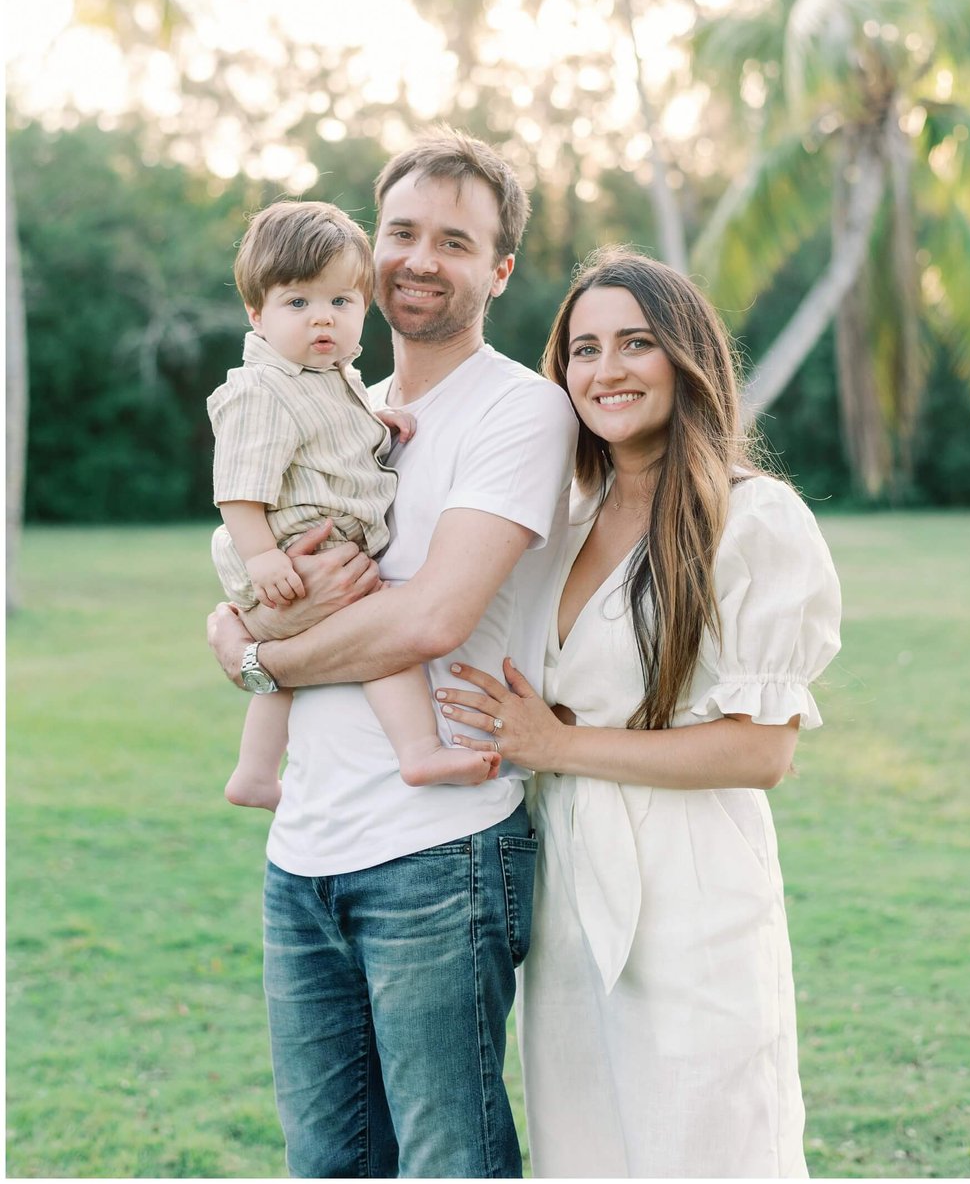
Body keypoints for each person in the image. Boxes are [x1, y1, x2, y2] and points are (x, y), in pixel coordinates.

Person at [206, 131, 578, 1179]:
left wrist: (256, 659)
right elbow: (260, 558)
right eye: (402, 232)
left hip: (439, 852)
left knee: (447, 1161)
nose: (419, 258)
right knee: (329, 1163)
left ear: (498, 270)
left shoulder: (520, 410)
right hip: (304, 853)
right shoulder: (334, 400)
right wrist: (244, 618)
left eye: (454, 242)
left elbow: (429, 618)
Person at [435, 247, 842, 1179]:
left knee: (703, 1143)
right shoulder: (559, 518)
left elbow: (761, 752)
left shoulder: (753, 521)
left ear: (687, 360)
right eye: (583, 349)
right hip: (567, 882)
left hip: (692, 883)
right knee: (587, 1147)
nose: (606, 370)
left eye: (636, 343)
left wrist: (558, 742)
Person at [208, 199, 500, 809]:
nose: (323, 320)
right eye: (299, 303)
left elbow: (333, 427)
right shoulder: (263, 388)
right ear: (256, 313)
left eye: (341, 303)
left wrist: (376, 418)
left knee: (327, 655)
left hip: (320, 548)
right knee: (384, 639)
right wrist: (263, 560)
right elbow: (238, 487)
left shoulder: (329, 375)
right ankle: (417, 751)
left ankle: (256, 773)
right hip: (291, 549)